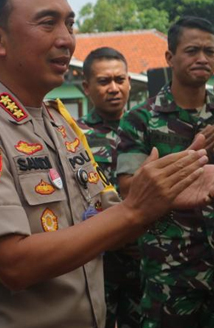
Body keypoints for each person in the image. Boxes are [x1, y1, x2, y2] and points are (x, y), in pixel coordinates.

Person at [0, 0, 214, 328]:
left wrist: (163, 197)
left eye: (69, 24)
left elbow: (100, 221)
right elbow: (13, 264)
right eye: (48, 23)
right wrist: (135, 210)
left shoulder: (60, 123)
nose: (66, 39)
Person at [116, 16, 214, 328]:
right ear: (170, 58)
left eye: (210, 51)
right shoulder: (140, 120)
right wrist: (184, 164)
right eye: (192, 50)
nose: (203, 58)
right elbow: (129, 192)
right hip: (170, 274)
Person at [77, 47, 141, 328]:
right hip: (95, 261)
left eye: (120, 79)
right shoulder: (73, 136)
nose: (114, 88)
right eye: (104, 81)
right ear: (86, 88)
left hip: (142, 260)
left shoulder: (148, 129)